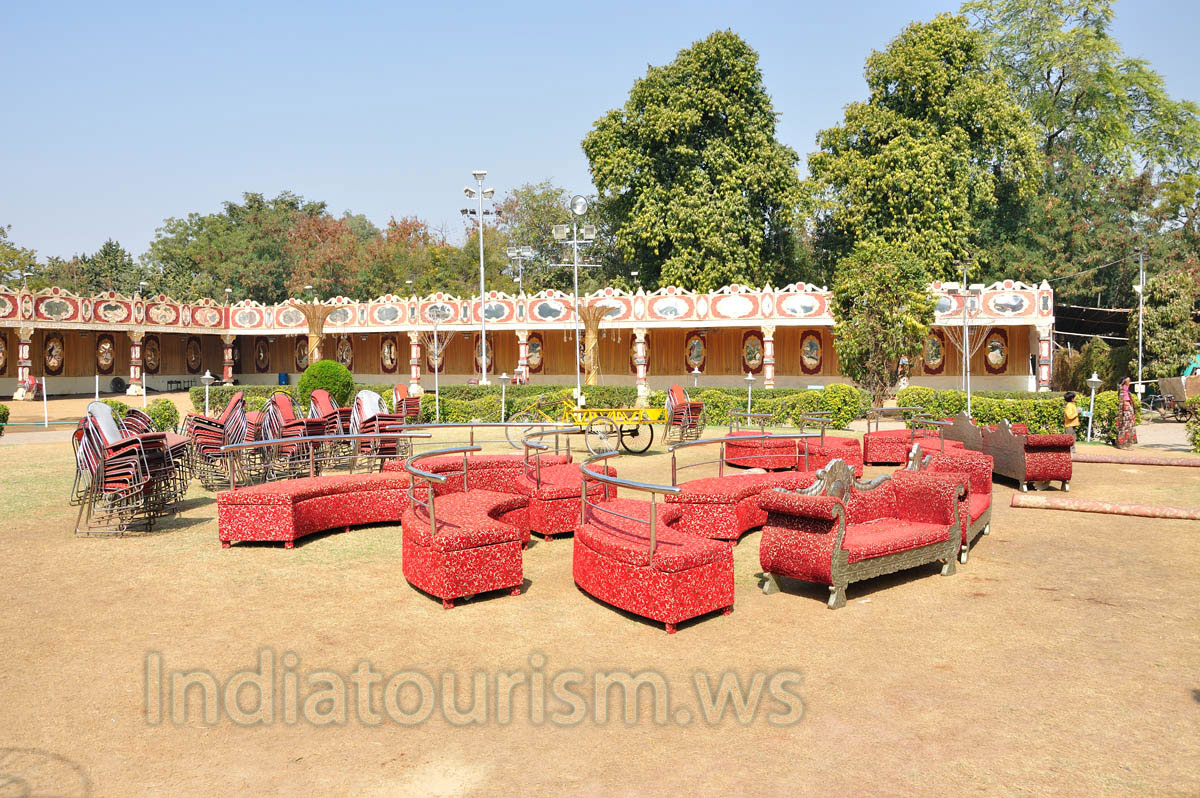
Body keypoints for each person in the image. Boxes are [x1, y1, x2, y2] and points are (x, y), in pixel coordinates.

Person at [1116, 377, 1138, 449]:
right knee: (1125, 426)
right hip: (1125, 409)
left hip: (1129, 408)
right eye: (1128, 381)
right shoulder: (1122, 389)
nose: (1129, 382)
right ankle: (1122, 444)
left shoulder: (1127, 390)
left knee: (1130, 426)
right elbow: (1120, 386)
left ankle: (1127, 444)